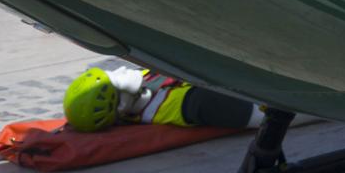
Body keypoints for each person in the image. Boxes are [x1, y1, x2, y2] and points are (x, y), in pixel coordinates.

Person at [62, 65, 261, 132]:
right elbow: (274, 115)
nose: (121, 70)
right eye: (115, 81)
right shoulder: (196, 104)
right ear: (120, 105)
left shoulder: (144, 85)